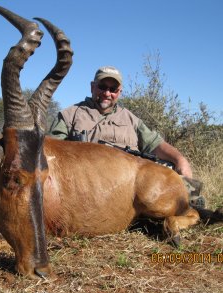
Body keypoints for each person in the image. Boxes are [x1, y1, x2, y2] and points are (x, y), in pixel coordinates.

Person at [50, 66, 205, 208]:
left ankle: (191, 203)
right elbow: (50, 151)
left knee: (180, 194)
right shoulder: (69, 115)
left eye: (113, 89)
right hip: (88, 188)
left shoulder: (130, 119)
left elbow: (155, 144)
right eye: (102, 87)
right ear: (92, 87)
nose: (107, 93)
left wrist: (180, 159)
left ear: (120, 92)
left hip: (128, 186)